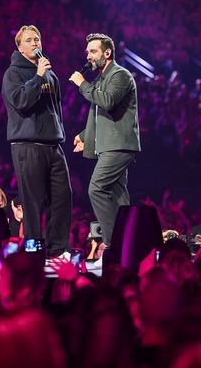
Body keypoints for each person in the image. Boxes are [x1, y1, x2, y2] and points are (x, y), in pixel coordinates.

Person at [1, 25, 72, 259]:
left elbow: (56, 109)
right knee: (32, 204)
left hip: (54, 145)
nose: (35, 43)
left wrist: (61, 133)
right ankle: (34, 254)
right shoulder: (13, 73)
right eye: (30, 40)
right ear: (20, 48)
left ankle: (57, 251)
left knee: (63, 197)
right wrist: (38, 76)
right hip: (27, 145)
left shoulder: (50, 74)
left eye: (38, 39)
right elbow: (21, 101)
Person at [69, 33, 140, 255]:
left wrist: (82, 84)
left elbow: (107, 101)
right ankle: (132, 239)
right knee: (119, 196)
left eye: (93, 51)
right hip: (108, 145)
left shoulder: (121, 75)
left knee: (96, 189)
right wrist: (84, 136)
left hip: (119, 146)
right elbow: (99, 116)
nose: (88, 56)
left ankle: (113, 241)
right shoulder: (100, 79)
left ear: (106, 53)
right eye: (87, 52)